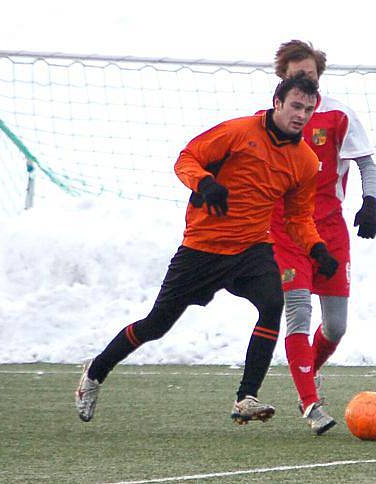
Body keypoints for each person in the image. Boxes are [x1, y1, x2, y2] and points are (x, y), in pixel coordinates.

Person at [75, 73, 339, 426]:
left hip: (251, 247)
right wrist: (206, 182)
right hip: (202, 248)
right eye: (295, 106)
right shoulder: (237, 132)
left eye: (308, 109)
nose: (302, 115)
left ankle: (246, 397)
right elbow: (186, 159)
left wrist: (317, 248)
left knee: (273, 303)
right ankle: (96, 371)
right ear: (277, 102)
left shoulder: (305, 161)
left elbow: (297, 217)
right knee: (156, 325)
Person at [270, 41, 376, 434]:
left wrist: (370, 203)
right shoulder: (265, 122)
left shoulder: (338, 114)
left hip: (330, 231)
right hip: (285, 231)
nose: (306, 83)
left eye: (312, 77)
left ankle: (307, 370)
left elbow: (366, 163)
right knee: (298, 312)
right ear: (283, 77)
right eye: (298, 76)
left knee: (336, 327)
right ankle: (310, 404)